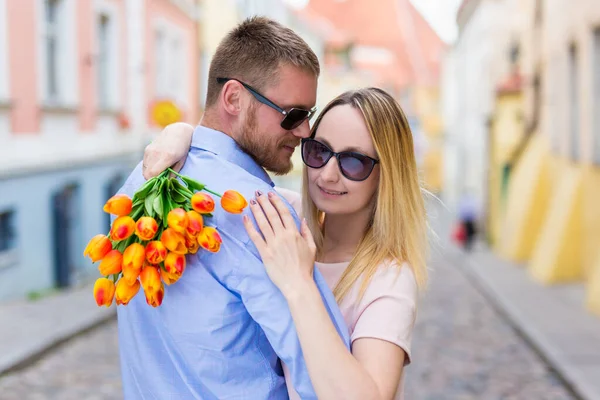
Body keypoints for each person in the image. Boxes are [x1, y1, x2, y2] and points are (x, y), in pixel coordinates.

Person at [116, 17, 350, 399]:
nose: (305, 131)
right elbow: (326, 378)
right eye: (293, 115)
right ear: (233, 98)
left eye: (309, 114)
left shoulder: (137, 186)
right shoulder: (261, 216)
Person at [146, 88, 429, 399]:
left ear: (387, 173)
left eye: (353, 162)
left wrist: (299, 283)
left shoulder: (388, 278)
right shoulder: (285, 216)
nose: (328, 175)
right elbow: (218, 161)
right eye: (319, 152)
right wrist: (178, 133)